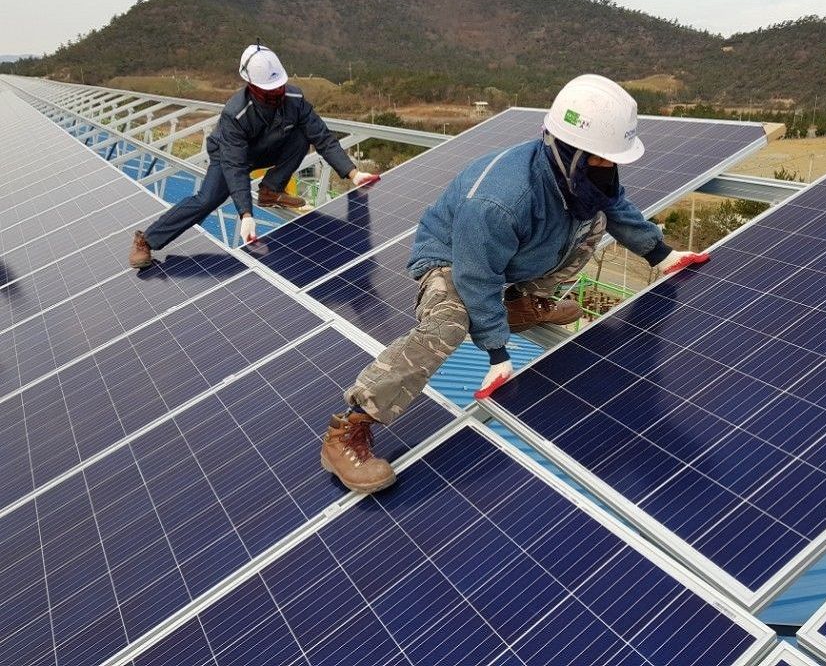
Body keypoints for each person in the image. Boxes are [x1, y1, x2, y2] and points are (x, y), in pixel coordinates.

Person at [320, 74, 711, 494]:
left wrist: (662, 254)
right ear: (567, 151)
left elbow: (617, 208)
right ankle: (350, 428)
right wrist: (496, 351)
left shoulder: (580, 177)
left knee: (594, 219)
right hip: (452, 260)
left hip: (509, 261)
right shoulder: (500, 200)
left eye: (611, 161)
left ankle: (521, 302)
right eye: (599, 160)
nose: (607, 169)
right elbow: (476, 273)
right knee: (449, 324)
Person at [129, 42, 378, 267]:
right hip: (228, 155)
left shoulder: (294, 99)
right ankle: (147, 240)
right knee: (207, 199)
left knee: (304, 135)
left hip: (266, 147)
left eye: (278, 88)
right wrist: (246, 215)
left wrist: (353, 173)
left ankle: (271, 189)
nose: (276, 94)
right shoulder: (235, 114)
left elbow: (322, 136)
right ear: (252, 86)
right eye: (269, 91)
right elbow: (236, 166)